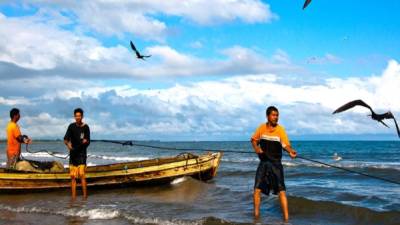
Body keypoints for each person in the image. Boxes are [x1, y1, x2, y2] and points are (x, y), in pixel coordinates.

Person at [250, 106, 297, 222]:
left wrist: (291, 151)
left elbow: (285, 145)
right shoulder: (261, 128)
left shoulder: (280, 130)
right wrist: (256, 149)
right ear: (267, 116)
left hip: (276, 164)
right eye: (273, 115)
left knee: (281, 191)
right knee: (257, 190)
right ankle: (256, 217)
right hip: (264, 163)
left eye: (277, 115)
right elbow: (254, 140)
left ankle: (286, 220)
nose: (276, 117)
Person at [64, 108, 90, 200]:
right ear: (74, 116)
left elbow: (88, 141)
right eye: (76, 116)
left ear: (82, 116)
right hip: (73, 154)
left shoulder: (86, 127)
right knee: (73, 177)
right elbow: (65, 139)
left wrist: (85, 142)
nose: (78, 117)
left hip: (82, 154)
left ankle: (85, 197)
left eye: (79, 116)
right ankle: (73, 198)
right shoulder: (71, 126)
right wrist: (68, 145)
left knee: (82, 175)